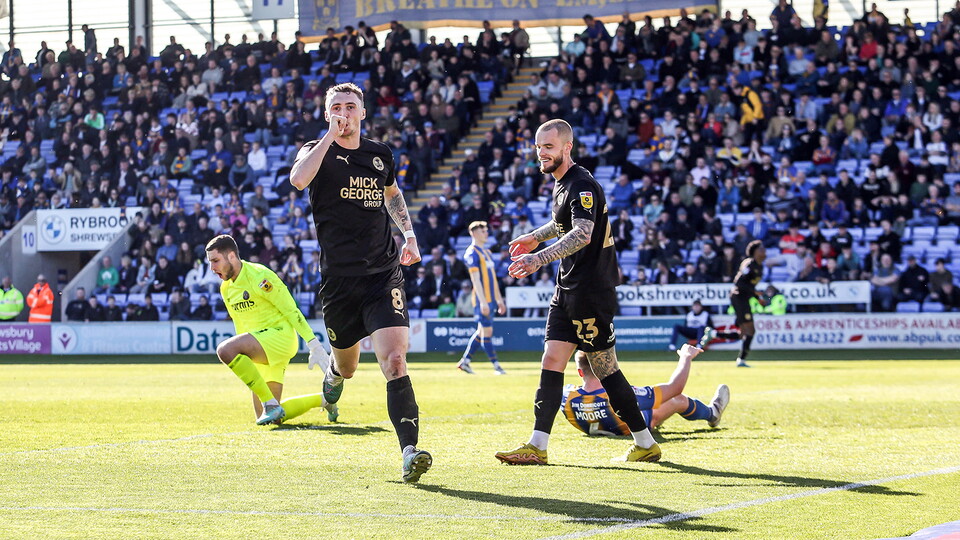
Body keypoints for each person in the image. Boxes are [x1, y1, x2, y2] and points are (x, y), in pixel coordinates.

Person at [495, 119, 661, 465]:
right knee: (552, 359)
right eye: (538, 147)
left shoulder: (581, 184)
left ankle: (645, 443)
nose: (541, 153)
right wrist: (535, 237)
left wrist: (538, 258)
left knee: (606, 368)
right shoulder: (563, 184)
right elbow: (562, 223)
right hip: (568, 287)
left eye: (549, 147)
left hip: (590, 291)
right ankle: (537, 446)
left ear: (567, 147)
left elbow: (582, 233)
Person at [289, 82, 432, 483]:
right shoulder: (315, 151)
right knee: (348, 367)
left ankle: (409, 452)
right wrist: (329, 138)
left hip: (382, 275)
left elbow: (392, 194)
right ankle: (334, 373)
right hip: (339, 282)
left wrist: (409, 235)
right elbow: (298, 180)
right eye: (336, 107)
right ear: (327, 114)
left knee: (395, 360)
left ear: (363, 113)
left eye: (351, 106)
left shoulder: (379, 154)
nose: (344, 113)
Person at [206, 234, 337, 425]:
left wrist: (313, 344)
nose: (212, 268)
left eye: (216, 261)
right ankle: (326, 400)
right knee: (271, 420)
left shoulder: (260, 276)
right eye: (210, 262)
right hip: (259, 345)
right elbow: (239, 324)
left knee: (225, 350)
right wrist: (245, 356)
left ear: (232, 256)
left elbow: (290, 309)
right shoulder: (226, 288)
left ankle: (270, 405)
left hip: (279, 337)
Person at [563, 345, 729, 435]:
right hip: (631, 426)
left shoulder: (566, 395)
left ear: (580, 372)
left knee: (652, 402)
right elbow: (675, 388)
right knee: (676, 399)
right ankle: (712, 413)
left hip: (598, 427)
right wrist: (686, 357)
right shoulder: (620, 394)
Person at [700, 240, 767, 367]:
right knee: (750, 331)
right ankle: (741, 360)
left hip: (744, 298)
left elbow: (750, 286)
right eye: (761, 249)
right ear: (755, 252)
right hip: (738, 297)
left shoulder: (760, 266)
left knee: (743, 334)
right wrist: (755, 294)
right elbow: (739, 284)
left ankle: (713, 334)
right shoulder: (749, 264)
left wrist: (756, 297)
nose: (764, 251)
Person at [457, 221, 508, 375]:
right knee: (487, 332)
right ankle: (496, 366)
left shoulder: (487, 252)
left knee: (481, 332)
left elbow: (493, 279)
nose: (486, 233)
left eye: (486, 231)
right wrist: (483, 302)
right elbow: (475, 280)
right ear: (473, 233)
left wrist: (499, 300)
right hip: (482, 300)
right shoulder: (471, 253)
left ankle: (465, 362)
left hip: (491, 299)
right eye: (482, 231)